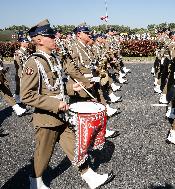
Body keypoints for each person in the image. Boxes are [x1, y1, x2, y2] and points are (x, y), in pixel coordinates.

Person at [21, 19, 114, 189]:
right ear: (40, 40)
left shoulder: (54, 58)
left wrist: (72, 87)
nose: (55, 38)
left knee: (75, 146)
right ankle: (35, 182)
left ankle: (89, 176)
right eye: (50, 36)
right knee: (43, 154)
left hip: (63, 115)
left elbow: (56, 85)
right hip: (46, 119)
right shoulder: (34, 63)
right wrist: (55, 104)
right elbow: (26, 95)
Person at [14, 36, 30, 103]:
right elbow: (18, 65)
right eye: (26, 42)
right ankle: (17, 98)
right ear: (22, 43)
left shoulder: (26, 51)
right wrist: (21, 75)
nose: (28, 43)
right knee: (19, 87)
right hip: (21, 73)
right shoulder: (18, 52)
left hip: (26, 72)